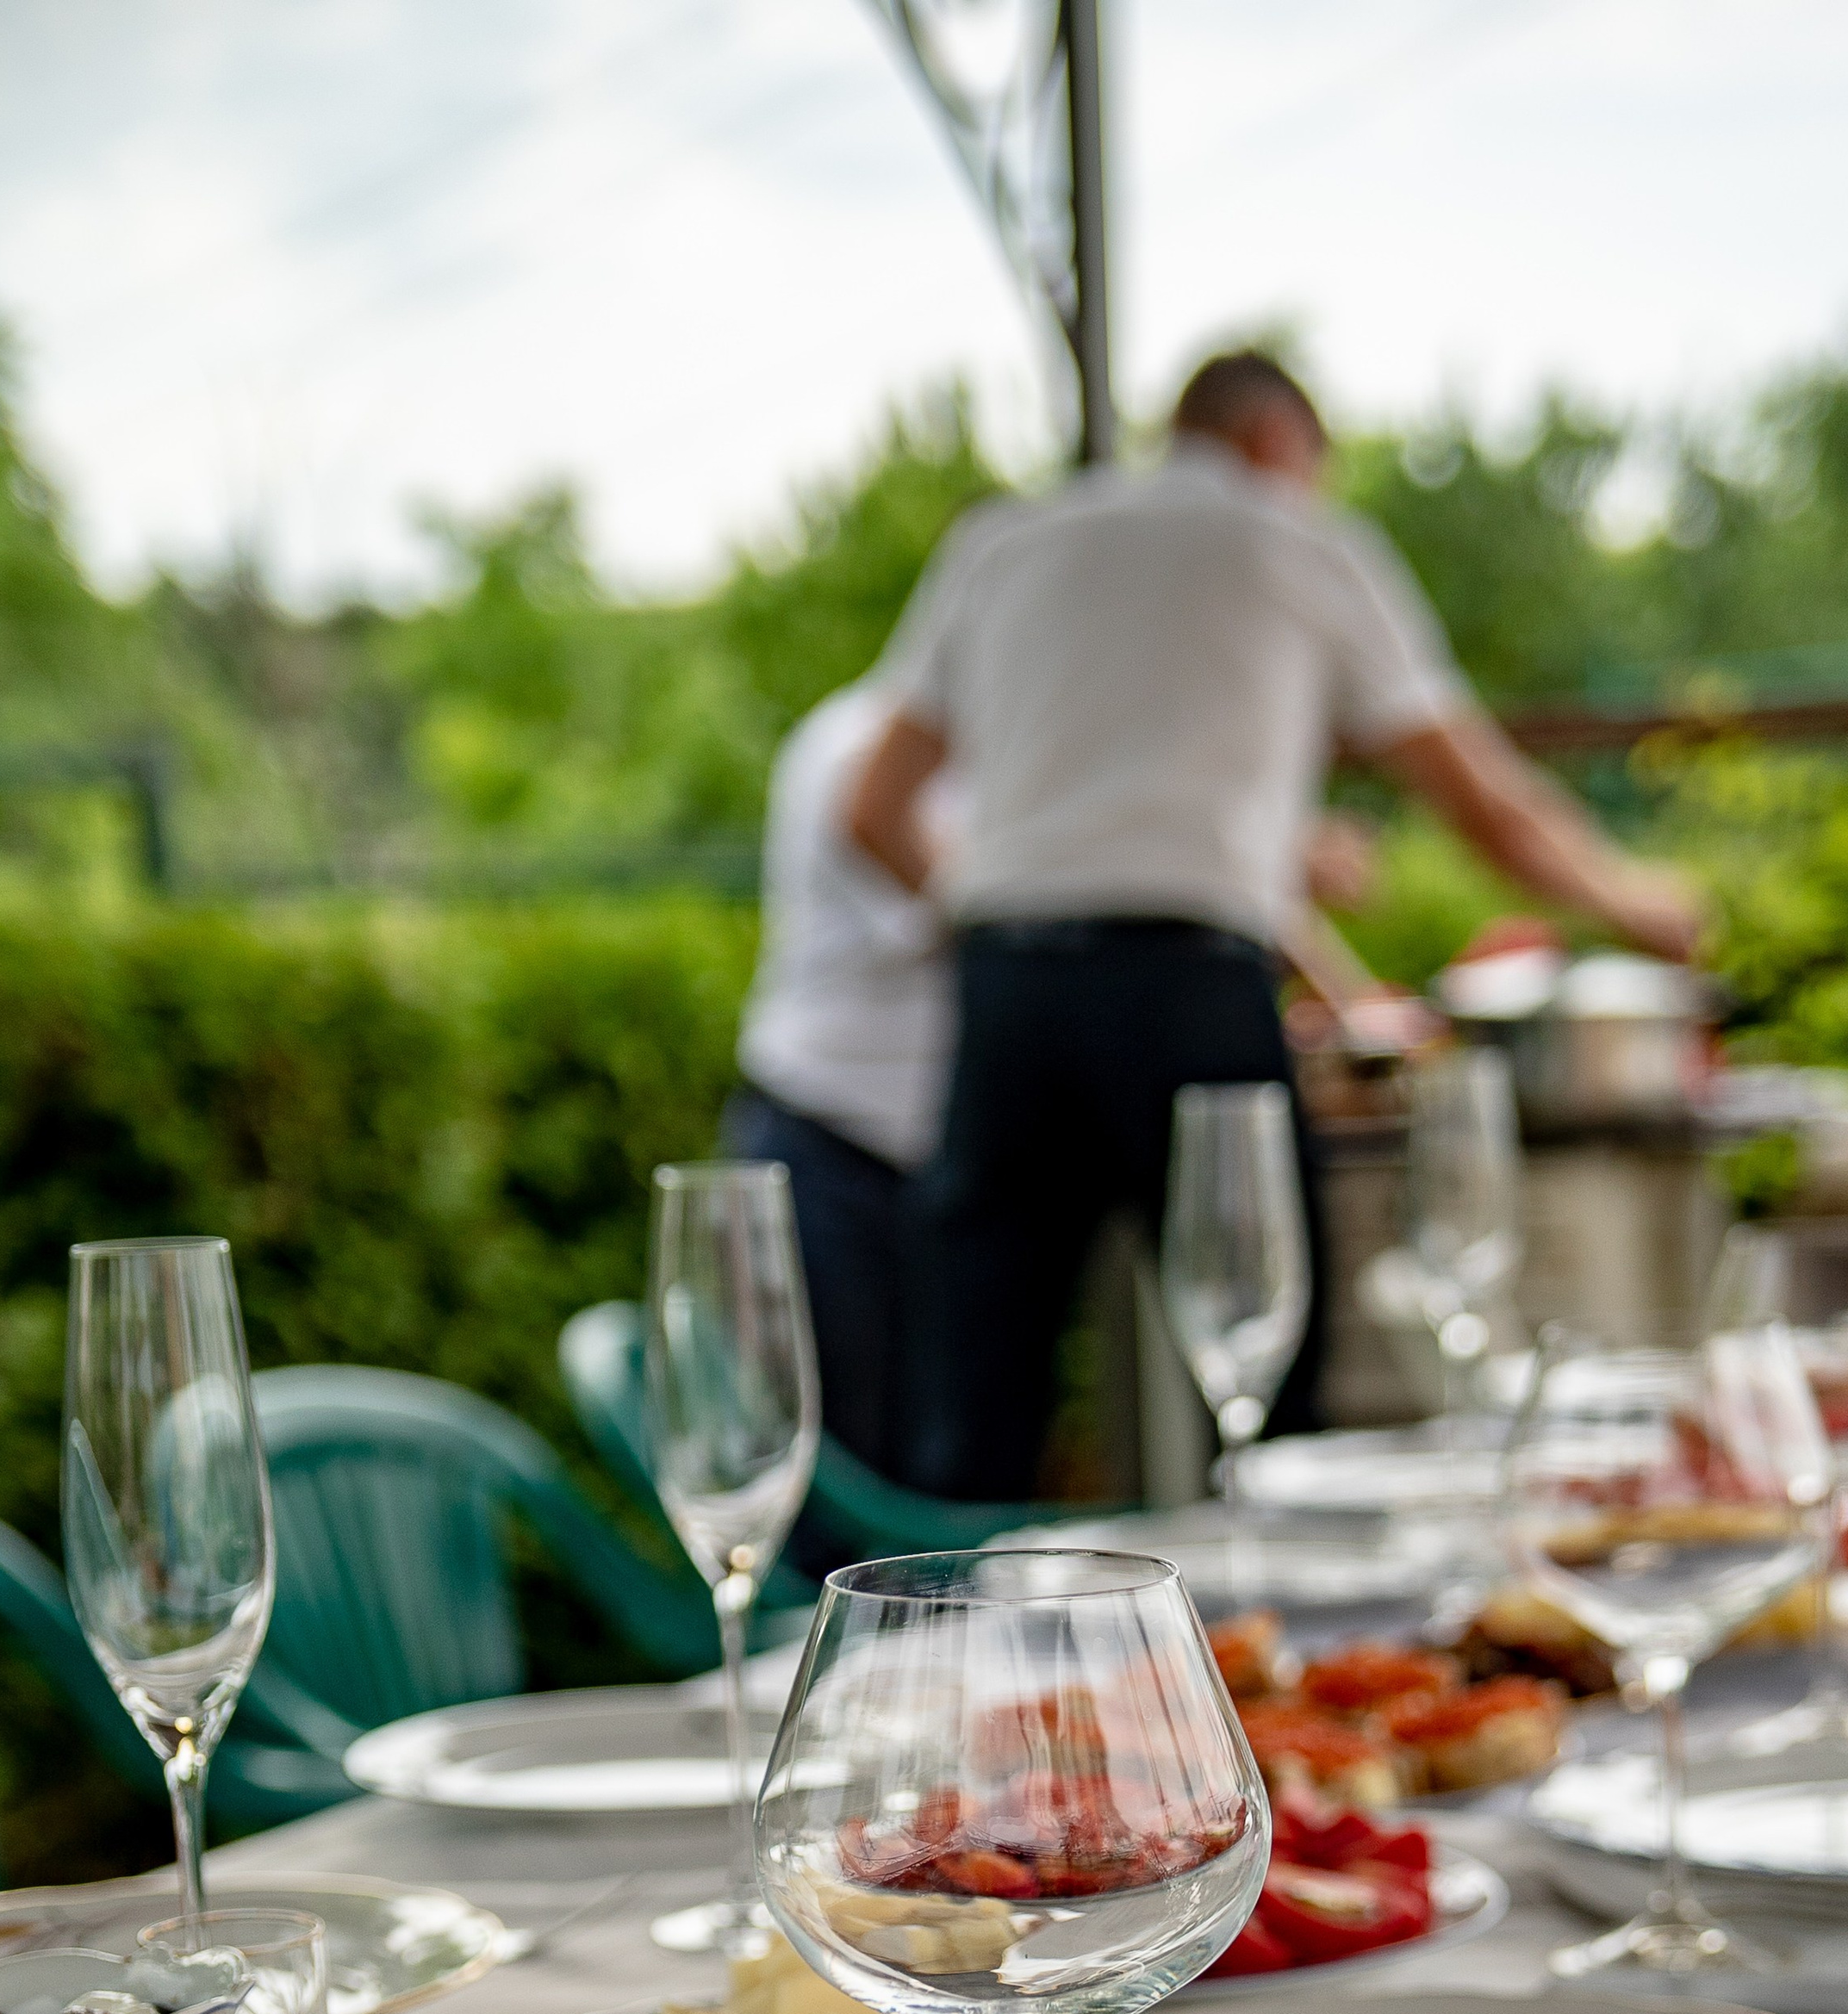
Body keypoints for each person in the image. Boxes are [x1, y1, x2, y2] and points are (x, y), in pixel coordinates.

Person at [848, 346, 1705, 1503]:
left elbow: (872, 810)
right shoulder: (1297, 544)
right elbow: (1485, 803)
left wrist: (1002, 917)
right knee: (1267, 1392)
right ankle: (1266, 1660)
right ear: (1274, 442)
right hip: (1187, 996)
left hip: (1007, 996)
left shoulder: (1001, 541)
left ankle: (954, 1661)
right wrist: (1637, 904)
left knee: (977, 1408)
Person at [725, 674, 956, 1483]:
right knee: (826, 1470)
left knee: (926, 1469)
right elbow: (984, 909)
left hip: (927, 1161)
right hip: (826, 1140)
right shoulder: (854, 749)